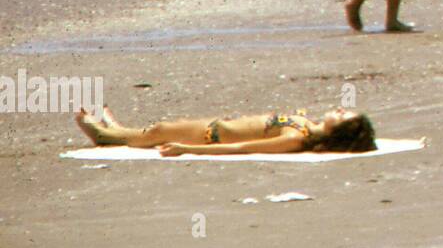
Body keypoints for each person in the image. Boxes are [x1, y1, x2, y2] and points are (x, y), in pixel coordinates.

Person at [74, 106, 377, 155]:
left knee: (160, 130)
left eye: (342, 115)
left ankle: (106, 136)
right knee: (156, 130)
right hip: (216, 127)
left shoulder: (297, 138)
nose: (338, 109)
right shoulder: (308, 126)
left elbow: (242, 149)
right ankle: (120, 131)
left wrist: (187, 149)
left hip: (212, 135)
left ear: (341, 132)